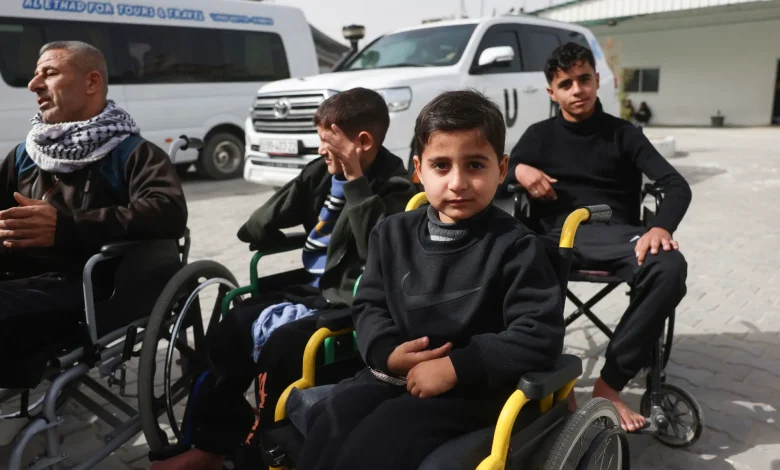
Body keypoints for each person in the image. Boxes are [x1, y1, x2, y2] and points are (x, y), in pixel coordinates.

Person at [296, 89, 565, 470]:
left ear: (502, 168)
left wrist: (456, 367)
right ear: (418, 170)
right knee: (331, 418)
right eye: (441, 166)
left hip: (474, 388)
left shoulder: (516, 247)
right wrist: (387, 351)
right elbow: (370, 304)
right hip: (393, 374)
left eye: (475, 165)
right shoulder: (391, 234)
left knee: (379, 439)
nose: (458, 182)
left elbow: (539, 333)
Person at [150, 87, 418, 470]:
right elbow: (258, 224)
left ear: (362, 142)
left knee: (281, 348)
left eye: (328, 142)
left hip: (352, 299)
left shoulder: (395, 186)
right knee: (230, 326)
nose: (321, 150)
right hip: (312, 289)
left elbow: (381, 251)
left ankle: (261, 451)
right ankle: (211, 444)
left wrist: (355, 181)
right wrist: (283, 213)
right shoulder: (321, 173)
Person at [507, 42, 691, 432]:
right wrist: (519, 170)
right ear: (552, 92)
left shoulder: (624, 134)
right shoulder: (538, 136)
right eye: (566, 84)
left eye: (584, 79)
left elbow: (676, 185)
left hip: (617, 235)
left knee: (669, 266)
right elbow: (495, 173)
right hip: (555, 238)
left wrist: (660, 228)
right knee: (510, 260)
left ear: (596, 80)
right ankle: (551, 377)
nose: (578, 90)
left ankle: (610, 384)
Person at [0, 41, 187, 388]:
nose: (33, 84)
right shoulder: (24, 155)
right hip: (19, 276)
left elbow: (168, 212)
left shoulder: (134, 154)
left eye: (49, 73)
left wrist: (66, 227)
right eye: (36, 74)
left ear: (92, 82)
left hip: (91, 291)